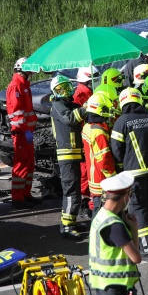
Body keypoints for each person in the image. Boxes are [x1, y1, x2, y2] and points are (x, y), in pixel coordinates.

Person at [110, 87, 148, 262]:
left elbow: (116, 149)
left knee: (138, 209)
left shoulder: (122, 121)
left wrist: (121, 166)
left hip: (135, 173)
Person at [89, 172, 141, 295]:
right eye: (130, 194)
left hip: (104, 285)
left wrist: (132, 227)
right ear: (124, 197)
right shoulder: (115, 225)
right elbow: (136, 258)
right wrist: (134, 229)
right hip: (116, 288)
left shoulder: (101, 216)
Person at [50, 75, 88, 239]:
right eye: (61, 89)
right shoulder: (57, 105)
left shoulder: (68, 104)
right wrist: (86, 108)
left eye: (67, 87)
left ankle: (70, 221)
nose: (66, 91)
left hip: (74, 154)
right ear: (56, 92)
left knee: (75, 190)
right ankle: (66, 226)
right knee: (71, 191)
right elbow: (71, 118)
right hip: (67, 155)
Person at [6, 57, 40, 209]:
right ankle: (17, 198)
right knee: (21, 165)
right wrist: (26, 131)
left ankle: (26, 194)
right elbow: (17, 114)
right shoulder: (16, 86)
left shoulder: (24, 85)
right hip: (21, 133)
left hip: (27, 133)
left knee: (29, 165)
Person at [82, 93, 116, 217]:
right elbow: (104, 160)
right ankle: (97, 236)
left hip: (93, 177)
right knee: (101, 214)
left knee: (97, 210)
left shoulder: (88, 126)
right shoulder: (99, 132)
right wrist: (113, 177)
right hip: (102, 179)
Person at [73, 65, 99, 217]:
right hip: (86, 136)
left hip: (90, 134)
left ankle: (89, 201)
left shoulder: (88, 92)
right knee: (86, 171)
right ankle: (85, 202)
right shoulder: (81, 95)